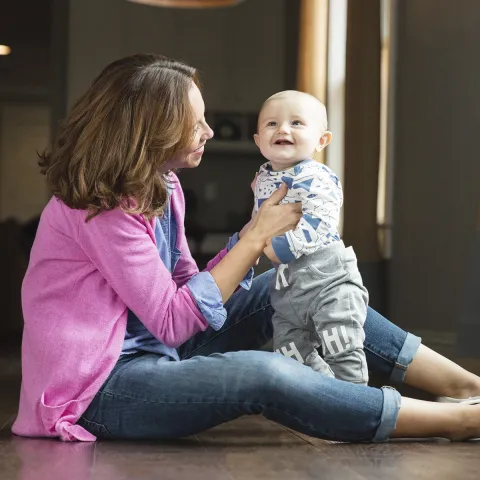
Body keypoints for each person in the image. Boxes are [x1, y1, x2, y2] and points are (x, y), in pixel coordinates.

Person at [12, 53, 480, 443]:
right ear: (149, 129)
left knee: (297, 280)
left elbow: (186, 288)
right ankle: (458, 420)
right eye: (193, 123)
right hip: (99, 388)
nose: (208, 132)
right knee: (264, 373)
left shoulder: (163, 185)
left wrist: (251, 238)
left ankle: (465, 386)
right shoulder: (101, 209)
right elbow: (175, 320)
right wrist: (256, 237)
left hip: (158, 351)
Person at [253, 90, 368, 384]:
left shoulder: (318, 176)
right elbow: (260, 221)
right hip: (287, 288)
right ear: (258, 141)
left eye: (296, 123)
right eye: (271, 124)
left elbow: (321, 221)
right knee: (290, 352)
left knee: (341, 344)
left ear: (322, 140)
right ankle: (323, 394)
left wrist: (283, 246)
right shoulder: (262, 177)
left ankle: (354, 401)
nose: (282, 129)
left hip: (328, 279)